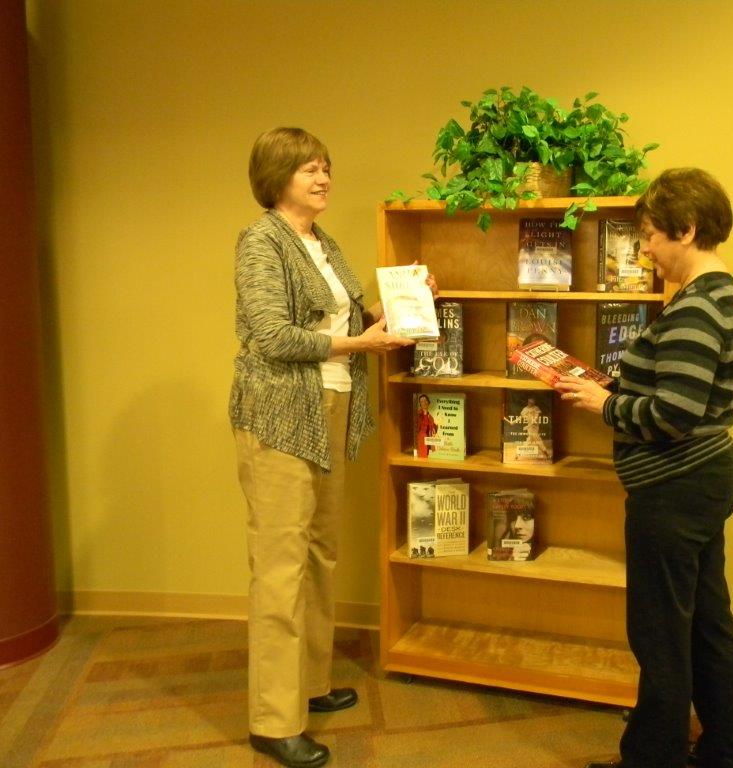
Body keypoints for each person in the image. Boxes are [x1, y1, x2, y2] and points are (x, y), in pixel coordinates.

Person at [230, 127, 435, 768]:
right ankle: (272, 719)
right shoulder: (261, 241)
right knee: (282, 565)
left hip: (332, 406)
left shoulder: (321, 242)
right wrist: (360, 346)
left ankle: (308, 688)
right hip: (281, 414)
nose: (322, 179)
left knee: (320, 554)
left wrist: (403, 297)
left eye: (326, 168)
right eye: (309, 169)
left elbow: (347, 319)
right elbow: (271, 336)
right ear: (277, 176)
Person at [556, 168, 733, 768]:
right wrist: (611, 385)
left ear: (687, 229)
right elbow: (678, 390)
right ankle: (730, 752)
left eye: (650, 235)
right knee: (705, 626)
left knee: (660, 634)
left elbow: (673, 413)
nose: (644, 248)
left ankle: (653, 758)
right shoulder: (711, 296)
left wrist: (605, 405)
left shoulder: (697, 308)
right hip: (698, 481)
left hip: (677, 488)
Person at [414, 393, 437, 458]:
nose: (424, 403)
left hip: (427, 439)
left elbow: (432, 430)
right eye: (422, 401)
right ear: (420, 404)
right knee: (420, 455)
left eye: (425, 400)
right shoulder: (417, 414)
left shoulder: (431, 417)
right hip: (419, 438)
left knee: (426, 455)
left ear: (428, 402)